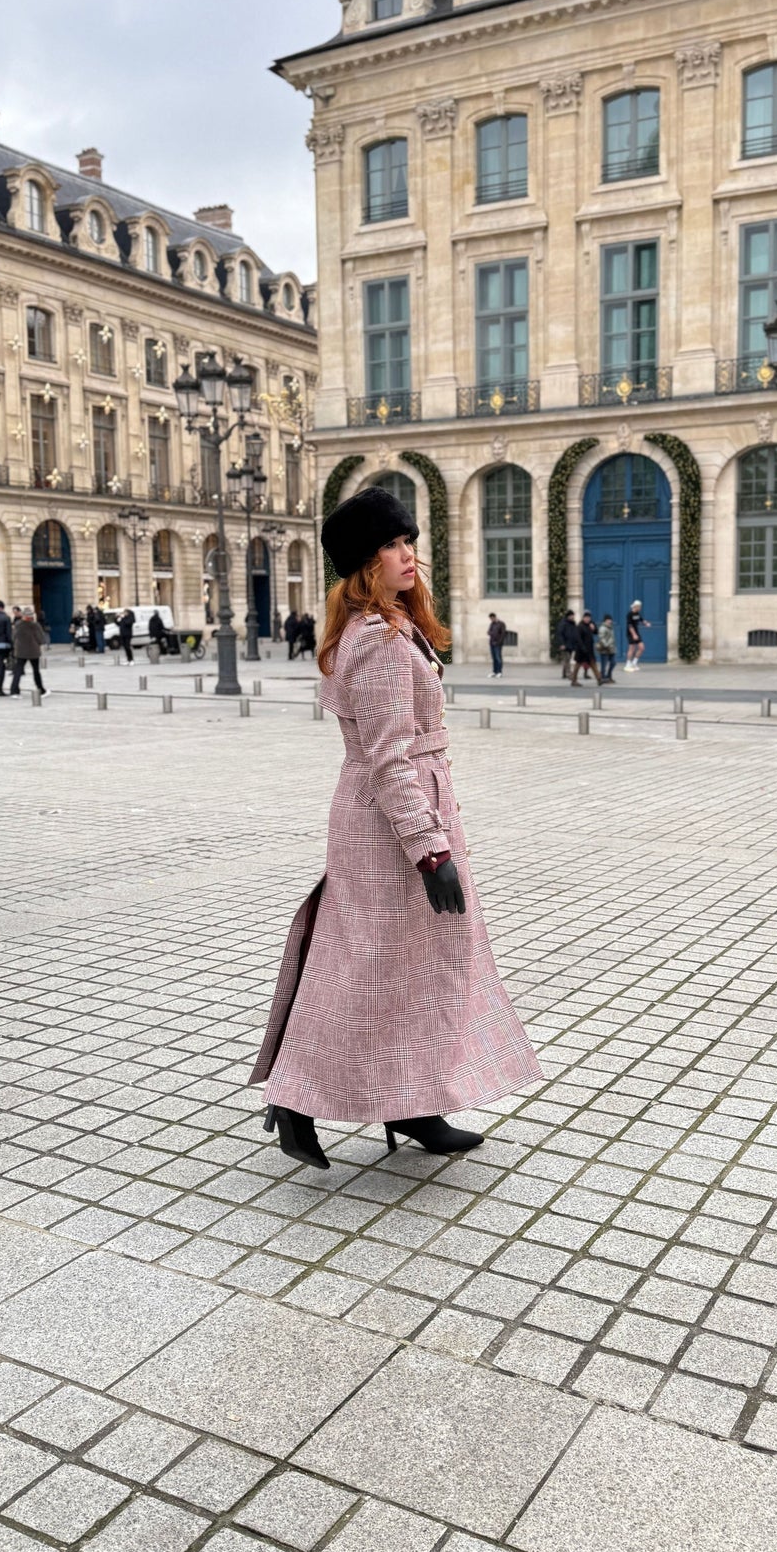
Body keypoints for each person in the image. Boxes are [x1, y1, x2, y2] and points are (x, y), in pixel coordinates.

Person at [250, 486, 541, 1170]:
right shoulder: (380, 642)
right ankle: (298, 1097)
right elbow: (387, 760)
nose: (408, 554)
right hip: (392, 832)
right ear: (363, 561)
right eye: (391, 545)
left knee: (406, 969)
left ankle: (413, 1102)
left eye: (409, 541)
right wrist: (428, 849)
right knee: (371, 969)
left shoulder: (390, 627)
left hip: (399, 819)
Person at [9, 607, 47, 698]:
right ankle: (41, 689)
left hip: (21, 651)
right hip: (33, 651)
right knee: (36, 671)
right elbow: (41, 639)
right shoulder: (35, 625)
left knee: (18, 671)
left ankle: (14, 691)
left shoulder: (18, 625)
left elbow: (13, 637)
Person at [572, 610, 602, 686]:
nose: (587, 619)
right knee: (577, 666)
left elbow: (596, 632)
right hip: (581, 650)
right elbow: (578, 639)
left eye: (589, 618)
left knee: (593, 664)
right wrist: (582, 648)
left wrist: (594, 628)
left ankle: (599, 679)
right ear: (583, 618)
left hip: (589, 649)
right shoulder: (580, 626)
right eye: (586, 617)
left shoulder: (590, 625)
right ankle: (574, 680)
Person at [625, 599, 650, 672]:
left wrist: (646, 623)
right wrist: (634, 634)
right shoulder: (629, 614)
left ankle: (634, 663)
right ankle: (628, 664)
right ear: (635, 606)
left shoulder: (638, 614)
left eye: (640, 607)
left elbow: (642, 620)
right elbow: (630, 626)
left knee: (642, 648)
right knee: (632, 648)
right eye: (639, 606)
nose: (640, 608)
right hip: (631, 633)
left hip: (637, 632)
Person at [557, 609, 578, 681]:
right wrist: (562, 644)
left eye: (573, 616)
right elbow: (560, 634)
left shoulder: (573, 623)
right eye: (571, 616)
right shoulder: (563, 624)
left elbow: (575, 633)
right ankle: (569, 674)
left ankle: (564, 673)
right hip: (565, 644)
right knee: (567, 659)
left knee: (567, 659)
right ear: (568, 616)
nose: (573, 617)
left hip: (571, 644)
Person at [596, 614, 617, 685]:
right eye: (608, 620)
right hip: (605, 649)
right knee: (603, 665)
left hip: (611, 649)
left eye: (610, 620)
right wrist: (607, 645)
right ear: (605, 620)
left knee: (613, 662)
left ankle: (609, 675)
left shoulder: (611, 628)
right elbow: (602, 638)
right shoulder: (602, 628)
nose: (610, 621)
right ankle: (602, 677)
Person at [488, 612, 506, 678]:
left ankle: (499, 672)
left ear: (494, 617)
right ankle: (494, 671)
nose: (491, 620)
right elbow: (489, 631)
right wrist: (491, 633)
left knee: (498, 658)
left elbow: (503, 634)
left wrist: (499, 642)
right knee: (494, 658)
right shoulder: (492, 624)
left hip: (498, 644)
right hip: (492, 643)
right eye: (490, 619)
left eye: (492, 618)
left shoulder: (501, 624)